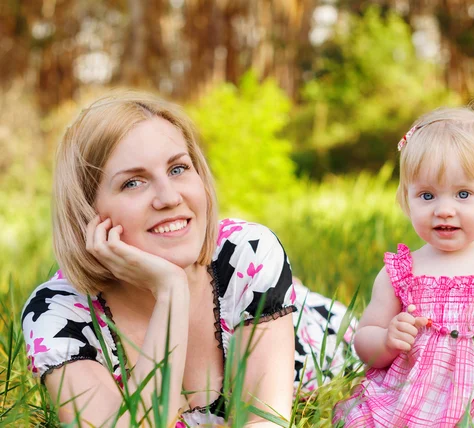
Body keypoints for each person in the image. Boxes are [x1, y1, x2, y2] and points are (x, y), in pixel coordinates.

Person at [21, 92, 354, 427]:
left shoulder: (248, 253)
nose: (169, 197)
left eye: (178, 168)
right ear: (86, 211)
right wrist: (170, 292)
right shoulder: (57, 315)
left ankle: (295, 293)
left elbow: (265, 421)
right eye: (132, 183)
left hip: (351, 339)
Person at [333, 107, 474, 427]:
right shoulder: (400, 272)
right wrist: (387, 340)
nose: (444, 210)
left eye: (463, 194)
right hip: (410, 399)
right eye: (427, 195)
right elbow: (365, 343)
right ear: (406, 199)